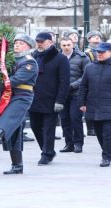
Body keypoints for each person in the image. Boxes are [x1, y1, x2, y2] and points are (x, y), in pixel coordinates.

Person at [0, 33, 39, 174]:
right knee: (14, 132)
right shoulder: (10, 60)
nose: (17, 45)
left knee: (8, 119)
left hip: (22, 96)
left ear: (29, 47)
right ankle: (17, 165)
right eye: (16, 42)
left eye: (21, 43)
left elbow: (16, 80)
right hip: (9, 96)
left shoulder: (29, 62)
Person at [79, 42, 111, 167]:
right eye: (98, 52)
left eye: (103, 52)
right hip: (93, 106)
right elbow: (83, 86)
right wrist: (82, 103)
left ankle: (106, 156)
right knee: (99, 132)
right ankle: (108, 152)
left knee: (108, 133)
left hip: (110, 106)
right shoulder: (90, 67)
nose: (100, 54)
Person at [29, 32, 70, 165]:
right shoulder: (33, 56)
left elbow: (64, 81)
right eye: (37, 41)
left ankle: (46, 153)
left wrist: (60, 100)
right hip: (34, 99)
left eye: (42, 41)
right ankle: (47, 150)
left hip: (51, 100)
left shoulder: (60, 58)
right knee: (35, 127)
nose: (39, 43)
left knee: (48, 129)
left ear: (50, 42)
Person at [59, 37, 90, 153]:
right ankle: (69, 143)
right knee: (64, 119)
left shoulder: (82, 57)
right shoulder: (57, 57)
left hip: (76, 93)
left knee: (75, 118)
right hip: (61, 94)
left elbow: (86, 75)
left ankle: (78, 143)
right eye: (64, 45)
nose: (66, 47)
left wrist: (72, 85)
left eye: (68, 45)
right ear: (60, 46)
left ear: (73, 45)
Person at [84, 30, 102, 136]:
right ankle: (90, 128)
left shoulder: (102, 50)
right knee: (90, 105)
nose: (97, 38)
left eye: (98, 36)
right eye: (94, 36)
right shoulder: (88, 52)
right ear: (89, 39)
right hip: (92, 80)